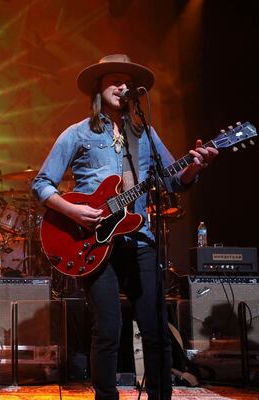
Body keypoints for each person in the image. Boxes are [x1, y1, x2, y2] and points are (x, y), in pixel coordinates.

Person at [31, 54, 218, 400]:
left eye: (126, 82)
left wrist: (194, 166)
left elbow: (172, 181)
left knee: (156, 330)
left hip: (141, 239)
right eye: (113, 80)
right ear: (97, 89)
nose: (121, 86)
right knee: (107, 331)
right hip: (95, 245)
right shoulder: (77, 134)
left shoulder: (144, 133)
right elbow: (42, 185)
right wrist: (74, 211)